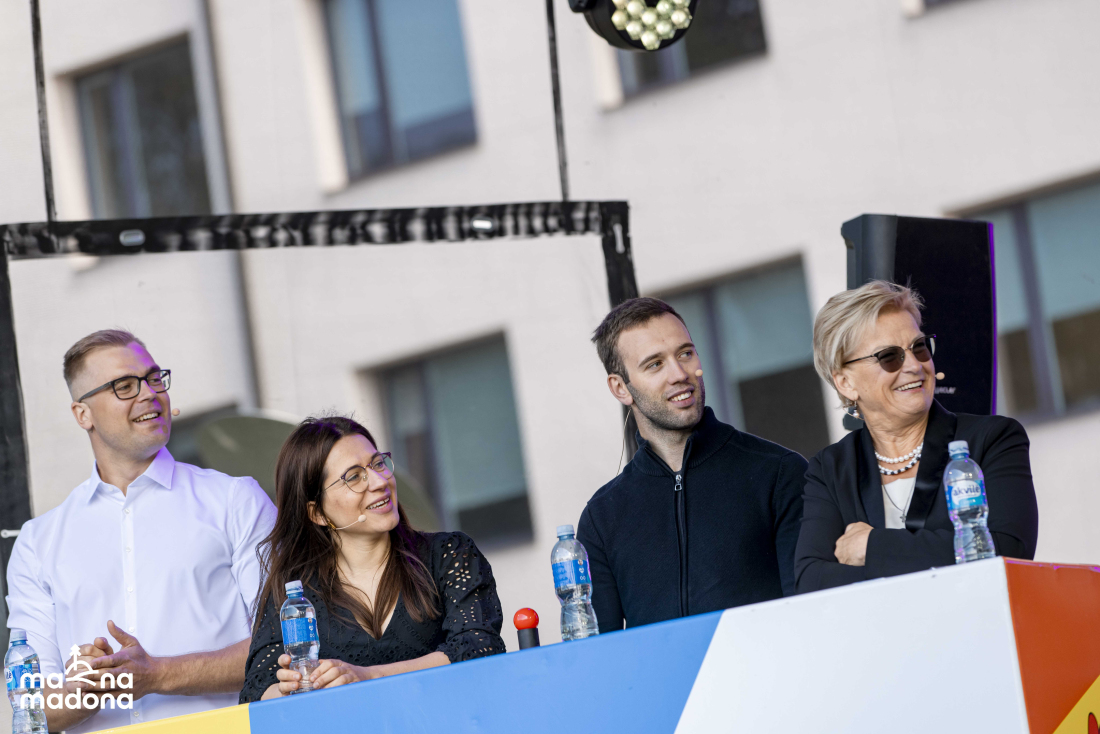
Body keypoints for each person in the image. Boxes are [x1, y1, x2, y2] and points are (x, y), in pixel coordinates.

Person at [4, 329, 276, 732]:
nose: (149, 394)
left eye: (153, 379)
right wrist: (85, 689)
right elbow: (29, 707)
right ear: (83, 414)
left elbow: (283, 647)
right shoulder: (37, 542)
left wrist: (157, 675)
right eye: (125, 386)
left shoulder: (236, 500)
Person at [576, 298, 807, 633]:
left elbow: (809, 617)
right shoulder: (601, 518)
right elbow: (600, 652)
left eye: (685, 353)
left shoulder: (780, 473)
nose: (679, 374)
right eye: (655, 364)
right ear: (621, 388)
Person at [239, 416, 506, 701]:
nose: (380, 481)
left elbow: (480, 647)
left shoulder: (449, 553)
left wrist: (368, 676)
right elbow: (255, 691)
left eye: (378, 464)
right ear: (317, 513)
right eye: (354, 477)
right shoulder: (295, 593)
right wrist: (290, 686)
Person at [794, 281, 1039, 592]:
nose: (914, 366)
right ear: (845, 383)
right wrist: (935, 558)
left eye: (919, 347)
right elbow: (812, 582)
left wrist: (872, 547)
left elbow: (1008, 551)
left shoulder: (992, 439)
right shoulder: (830, 469)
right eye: (889, 356)